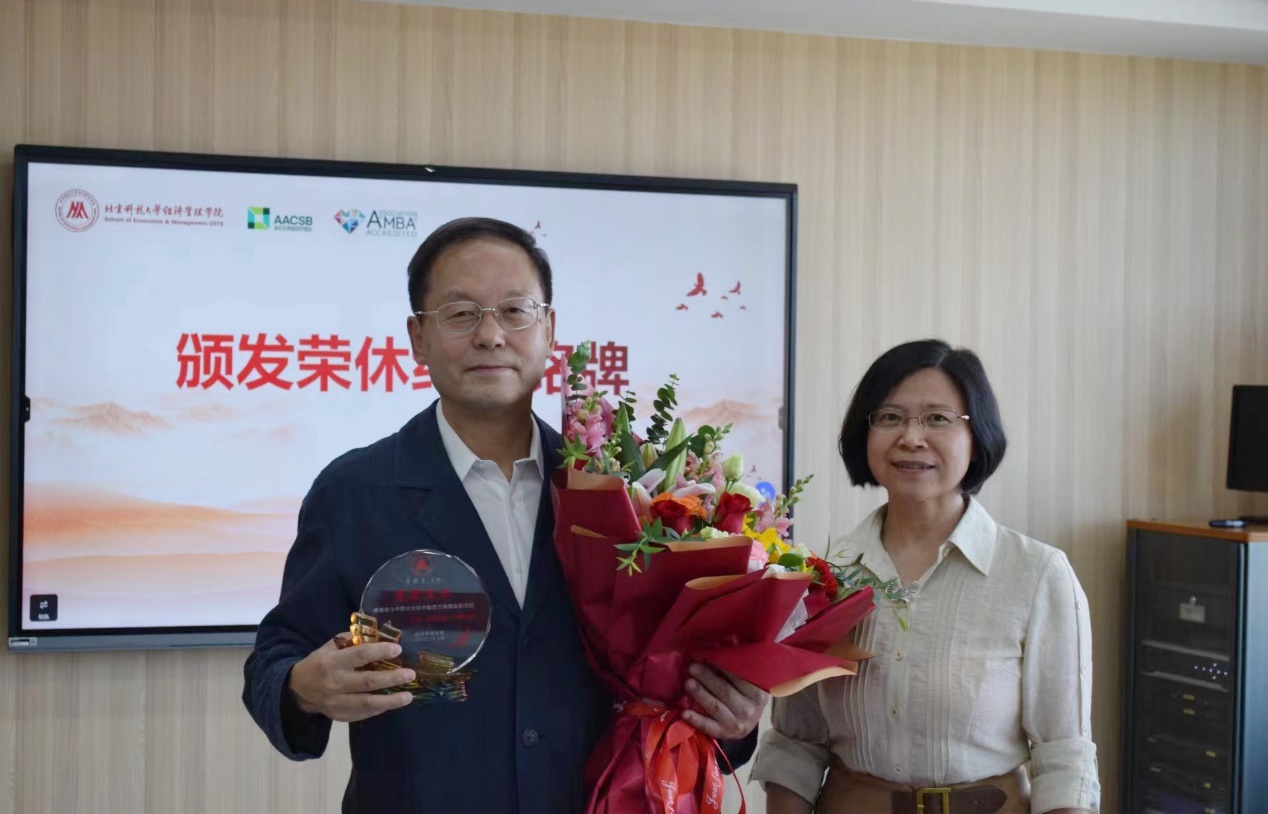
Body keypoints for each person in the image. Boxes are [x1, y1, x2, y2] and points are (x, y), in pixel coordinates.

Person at [242, 216, 764, 813]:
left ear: (549, 329)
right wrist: (301, 688)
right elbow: (275, 661)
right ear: (417, 337)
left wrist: (731, 717)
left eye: (515, 311)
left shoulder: (627, 493)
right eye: (461, 313)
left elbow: (676, 678)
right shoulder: (355, 492)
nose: (490, 335)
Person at [751, 339, 1099, 814]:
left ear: (977, 435)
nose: (911, 437)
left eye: (937, 418)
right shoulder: (823, 575)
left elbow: (1064, 758)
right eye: (890, 417)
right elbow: (795, 744)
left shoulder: (1036, 575)